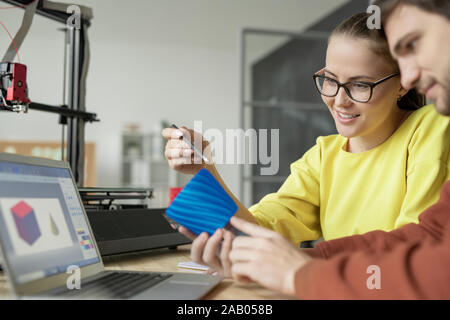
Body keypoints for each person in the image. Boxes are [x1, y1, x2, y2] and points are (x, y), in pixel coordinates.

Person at [162, 10, 450, 276]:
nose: (339, 100)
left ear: (404, 82)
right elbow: (259, 231)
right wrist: (206, 168)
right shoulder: (324, 155)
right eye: (331, 79)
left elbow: (417, 245)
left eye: (360, 85)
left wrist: (299, 263)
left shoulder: (432, 127)